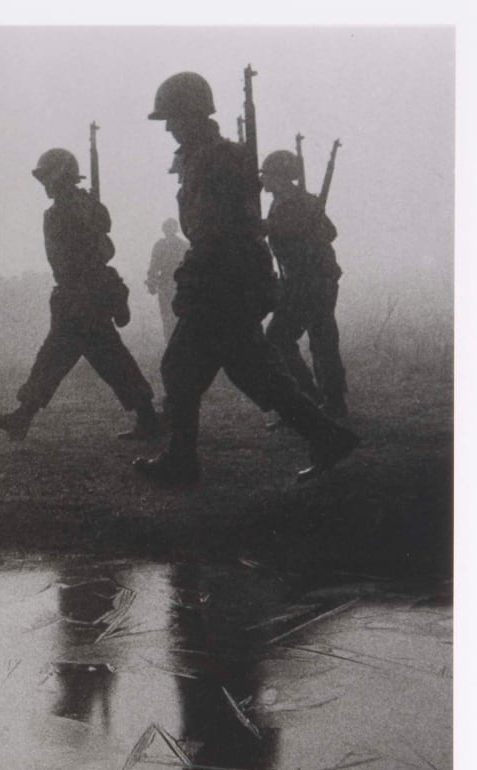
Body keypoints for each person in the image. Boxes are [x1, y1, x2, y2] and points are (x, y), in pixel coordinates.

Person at [134, 72, 357, 485]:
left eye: (172, 117)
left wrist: (191, 279)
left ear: (191, 114)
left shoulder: (211, 159)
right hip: (235, 281)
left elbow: (216, 232)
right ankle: (327, 436)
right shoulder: (216, 156)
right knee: (253, 372)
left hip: (222, 282)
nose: (167, 127)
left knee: (180, 367)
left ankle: (182, 463)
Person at [0, 147, 162, 443]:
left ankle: (23, 416)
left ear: (60, 177)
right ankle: (23, 416)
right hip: (79, 296)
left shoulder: (68, 209)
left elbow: (96, 250)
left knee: (81, 359)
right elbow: (103, 240)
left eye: (47, 177)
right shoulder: (81, 206)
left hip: (82, 297)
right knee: (79, 359)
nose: (44, 184)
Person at [261, 149, 348, 419]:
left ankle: (329, 402)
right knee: (280, 339)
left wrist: (284, 229)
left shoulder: (302, 202)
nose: (263, 179)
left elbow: (329, 232)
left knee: (319, 340)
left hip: (315, 279)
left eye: (268, 174)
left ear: (281, 177)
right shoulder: (281, 202)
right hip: (297, 281)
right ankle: (311, 399)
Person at [145, 218, 188, 343]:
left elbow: (153, 266)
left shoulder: (161, 245)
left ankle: (172, 343)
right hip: (178, 285)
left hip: (170, 285)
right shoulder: (183, 245)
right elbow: (153, 267)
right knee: (177, 317)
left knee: (168, 317)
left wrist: (151, 282)